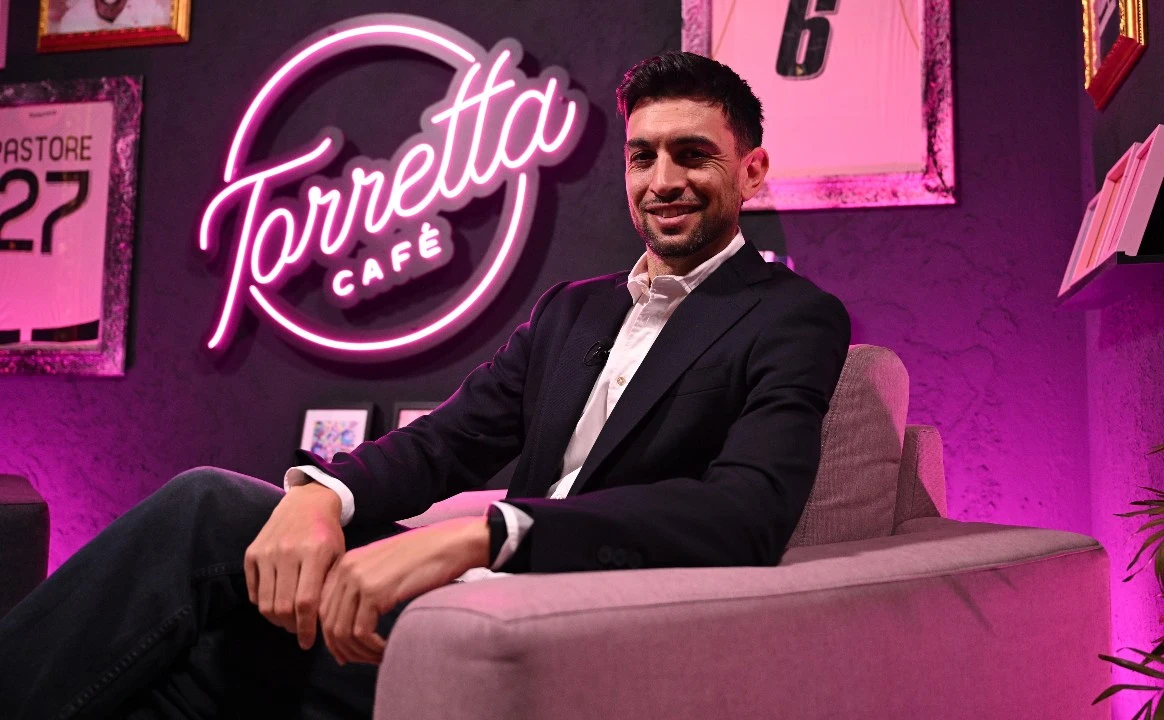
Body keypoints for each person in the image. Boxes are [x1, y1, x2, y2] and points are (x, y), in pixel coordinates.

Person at [0, 51, 850, 719]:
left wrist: (490, 534)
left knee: (193, 645)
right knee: (202, 541)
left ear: (752, 171)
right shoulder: (575, 310)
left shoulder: (791, 317)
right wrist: (321, 496)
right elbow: (448, 440)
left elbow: (745, 512)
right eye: (643, 156)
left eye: (693, 155)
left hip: (573, 616)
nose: (662, 180)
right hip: (456, 602)